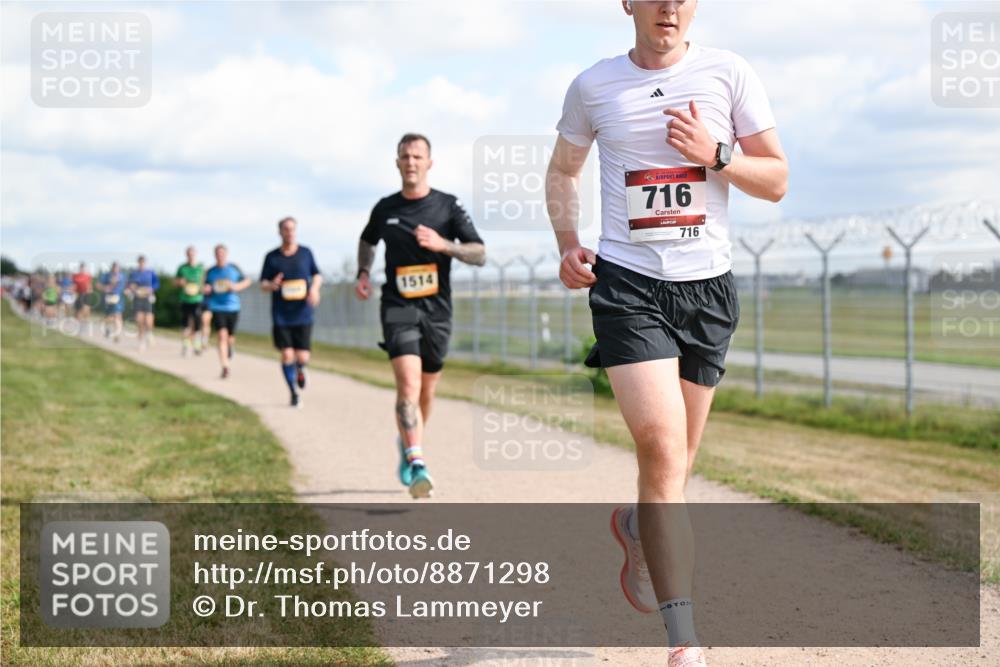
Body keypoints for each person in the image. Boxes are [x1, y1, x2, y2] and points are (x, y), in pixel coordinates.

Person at [545, 1, 787, 664]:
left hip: (707, 289)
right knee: (660, 446)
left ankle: (635, 525)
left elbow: (776, 179)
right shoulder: (594, 85)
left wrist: (716, 154)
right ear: (629, 2)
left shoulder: (729, 73)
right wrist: (567, 242)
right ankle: (684, 643)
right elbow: (563, 169)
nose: (670, 6)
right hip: (627, 285)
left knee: (676, 467)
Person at [355, 133, 486, 499]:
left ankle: (409, 441)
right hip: (397, 306)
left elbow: (480, 253)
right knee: (409, 385)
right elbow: (367, 241)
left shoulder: (447, 206)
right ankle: (417, 462)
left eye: (417, 156)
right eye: (405, 156)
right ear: (397, 163)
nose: (411, 162)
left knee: (427, 390)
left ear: (429, 163)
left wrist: (443, 245)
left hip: (438, 311)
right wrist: (363, 272)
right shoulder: (385, 208)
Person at [260, 217, 322, 407]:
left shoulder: (305, 253)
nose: (290, 232)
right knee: (287, 355)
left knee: (302, 356)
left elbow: (317, 275)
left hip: (303, 313)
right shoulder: (272, 257)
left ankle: (301, 369)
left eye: (292, 229)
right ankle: (294, 393)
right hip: (282, 315)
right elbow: (263, 284)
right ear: (280, 232)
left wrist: (314, 289)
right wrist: (271, 284)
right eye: (286, 229)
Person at [204, 244, 251, 379]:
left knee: (230, 337)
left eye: (222, 253)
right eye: (217, 254)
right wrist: (207, 289)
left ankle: (230, 347)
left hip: (233, 307)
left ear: (226, 254)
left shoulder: (234, 268)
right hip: (217, 307)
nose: (220, 256)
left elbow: (247, 281)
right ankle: (225, 366)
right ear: (215, 255)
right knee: (221, 336)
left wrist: (236, 286)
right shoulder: (210, 271)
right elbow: (204, 286)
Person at [174, 246, 207, 356]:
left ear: (195, 254)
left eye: (192, 254)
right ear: (186, 255)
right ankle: (186, 345)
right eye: (189, 254)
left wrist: (203, 288)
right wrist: (179, 282)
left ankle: (197, 346)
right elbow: (175, 282)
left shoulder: (200, 268)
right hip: (185, 299)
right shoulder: (182, 268)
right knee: (185, 324)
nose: (190, 256)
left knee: (197, 324)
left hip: (197, 299)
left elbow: (205, 283)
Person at [128, 255, 160, 349]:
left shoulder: (150, 273)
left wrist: (151, 289)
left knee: (149, 321)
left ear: (145, 263)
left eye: (143, 262)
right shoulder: (134, 273)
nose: (141, 264)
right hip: (137, 298)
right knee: (139, 320)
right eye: (140, 262)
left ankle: (149, 333)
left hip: (148, 298)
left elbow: (157, 284)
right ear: (138, 263)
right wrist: (130, 288)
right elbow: (129, 285)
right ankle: (141, 341)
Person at [99, 262, 126, 342]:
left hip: (118, 297)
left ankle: (117, 334)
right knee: (109, 316)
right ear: (112, 268)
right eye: (114, 268)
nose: (115, 269)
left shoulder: (122, 276)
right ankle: (108, 329)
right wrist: (104, 288)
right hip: (108, 298)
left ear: (119, 269)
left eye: (117, 268)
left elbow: (125, 285)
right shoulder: (107, 275)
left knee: (118, 315)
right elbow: (98, 284)